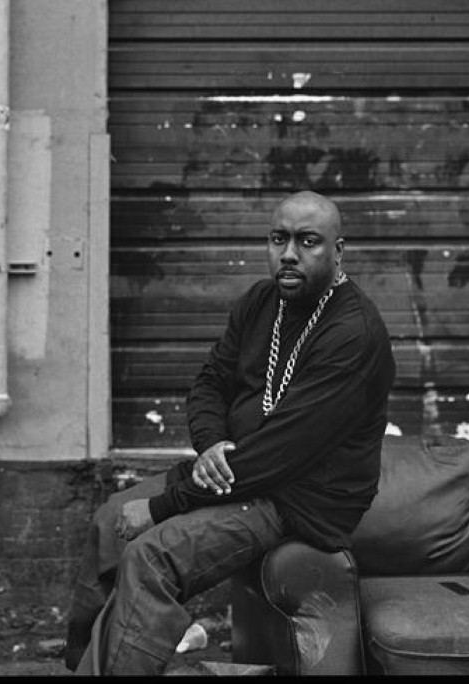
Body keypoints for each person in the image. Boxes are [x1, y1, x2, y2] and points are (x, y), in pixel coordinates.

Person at [64, 190, 396, 675]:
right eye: (278, 239)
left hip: (298, 499)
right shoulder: (261, 301)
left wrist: (161, 506)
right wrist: (211, 445)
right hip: (239, 473)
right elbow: (210, 383)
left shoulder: (354, 333)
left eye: (307, 242)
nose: (288, 254)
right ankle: (86, 668)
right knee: (110, 520)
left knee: (152, 556)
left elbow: (281, 454)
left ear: (338, 251)